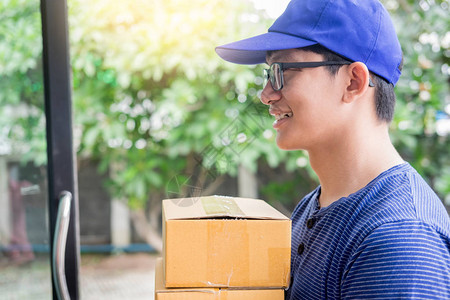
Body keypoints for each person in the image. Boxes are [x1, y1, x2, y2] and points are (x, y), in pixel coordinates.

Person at [215, 0, 450, 298]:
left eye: (282, 71)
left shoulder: (398, 238)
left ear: (353, 82)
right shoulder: (316, 205)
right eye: (268, 73)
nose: (266, 95)